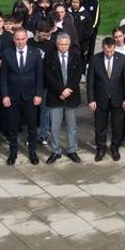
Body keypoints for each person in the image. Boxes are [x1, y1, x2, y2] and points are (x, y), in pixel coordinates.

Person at [0, 28, 44, 165]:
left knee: (32, 125)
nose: (20, 42)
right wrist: (5, 95)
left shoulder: (35, 53)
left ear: (26, 39)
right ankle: (13, 152)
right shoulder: (7, 54)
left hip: (30, 96)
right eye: (17, 39)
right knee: (13, 126)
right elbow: (3, 77)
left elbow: (39, 76)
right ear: (14, 39)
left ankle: (32, 151)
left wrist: (38, 94)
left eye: (22, 39)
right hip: (13, 96)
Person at [43, 33, 83, 163]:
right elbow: (48, 76)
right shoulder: (50, 56)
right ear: (56, 44)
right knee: (55, 126)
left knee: (72, 125)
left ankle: (72, 150)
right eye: (60, 44)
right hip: (55, 95)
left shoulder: (76, 56)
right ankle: (56, 151)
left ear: (69, 44)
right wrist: (60, 91)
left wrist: (68, 89)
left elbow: (77, 75)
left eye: (65, 44)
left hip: (71, 94)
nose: (63, 47)